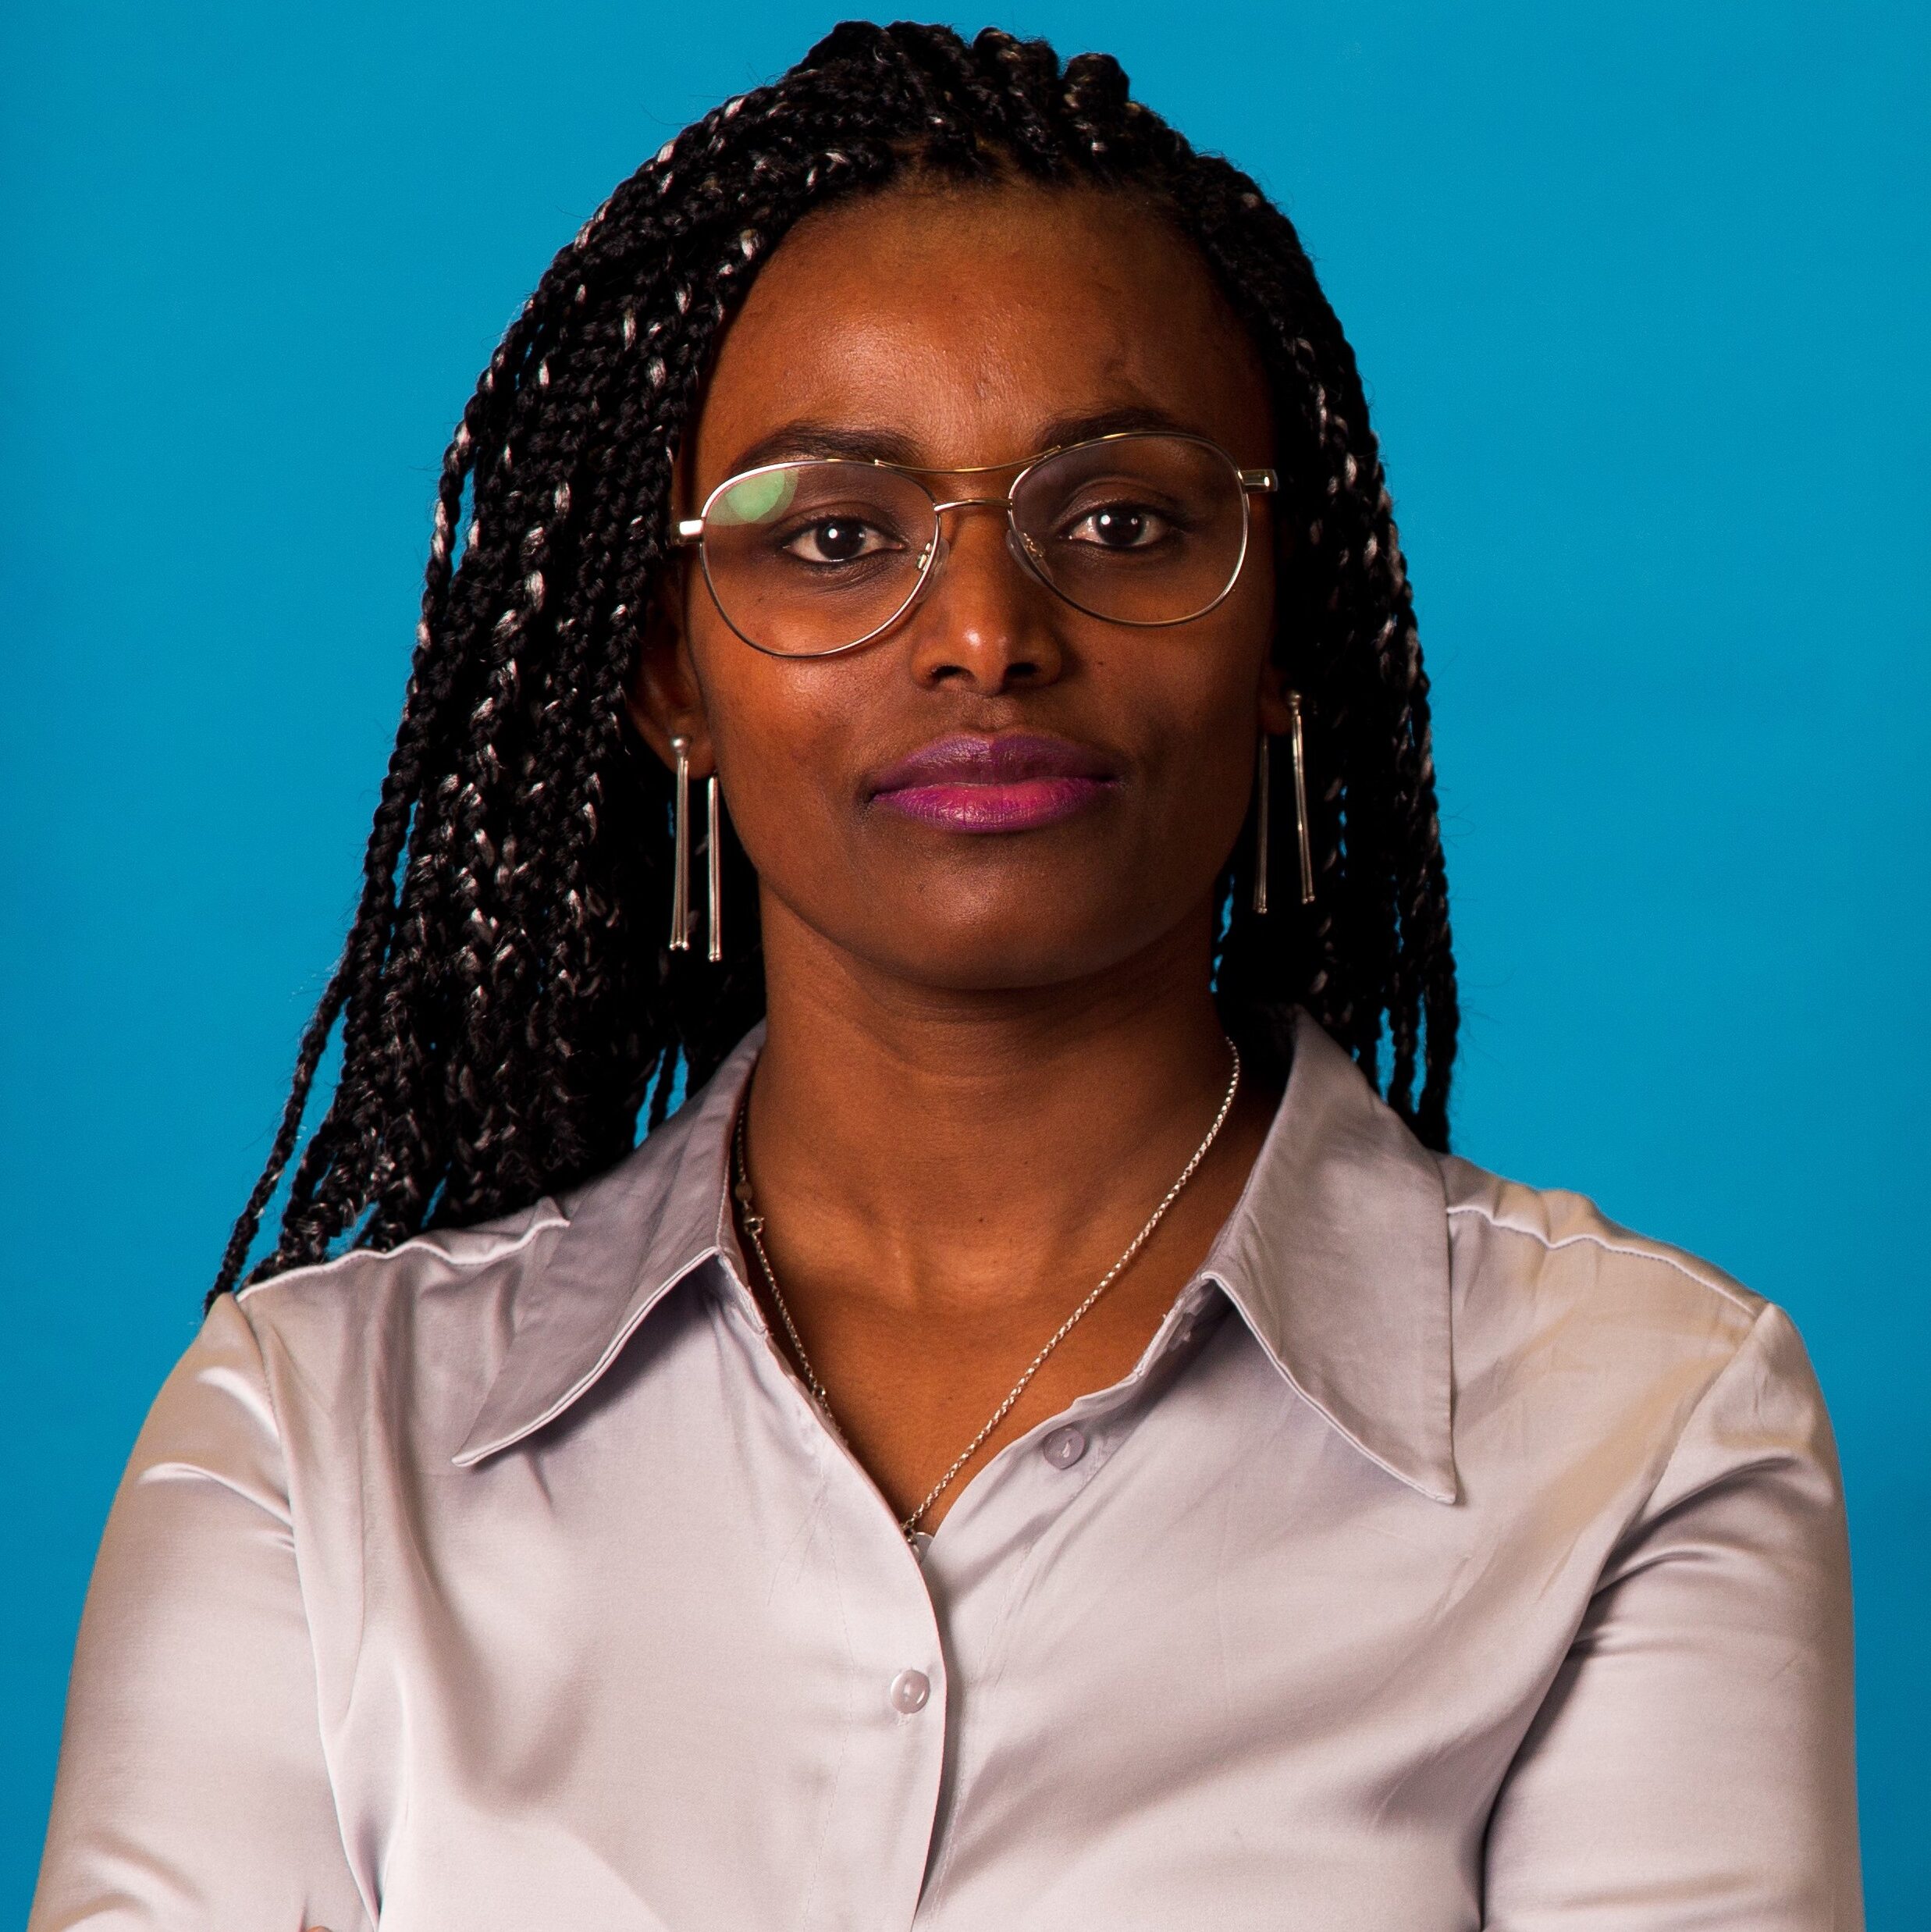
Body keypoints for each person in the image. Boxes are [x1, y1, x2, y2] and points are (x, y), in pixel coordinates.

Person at [30, 21, 1860, 1930]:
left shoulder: (1635, 1425)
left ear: (1283, 627)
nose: (986, 632)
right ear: (671, 676)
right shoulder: (315, 1450)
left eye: (1124, 521)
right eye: (835, 535)